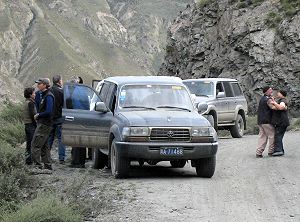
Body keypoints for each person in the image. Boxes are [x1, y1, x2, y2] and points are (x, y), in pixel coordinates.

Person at [31, 78, 55, 171]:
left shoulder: (48, 96)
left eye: (39, 83)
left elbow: (49, 111)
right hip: (44, 123)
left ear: (45, 85)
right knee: (44, 146)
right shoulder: (44, 95)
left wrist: (38, 115)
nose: (37, 85)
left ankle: (37, 167)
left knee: (35, 145)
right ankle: (48, 166)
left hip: (44, 124)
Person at [68, 76, 88, 168]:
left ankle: (76, 161)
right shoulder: (84, 91)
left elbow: (70, 105)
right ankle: (81, 161)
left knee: (76, 141)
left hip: (75, 117)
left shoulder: (73, 92)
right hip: (83, 117)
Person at [48, 75, 66, 164]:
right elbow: (64, 104)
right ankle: (61, 158)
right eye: (61, 80)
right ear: (59, 81)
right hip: (59, 117)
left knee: (49, 138)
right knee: (60, 139)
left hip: (50, 118)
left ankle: (46, 157)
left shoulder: (49, 91)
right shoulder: (61, 91)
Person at [256, 86, 275, 158]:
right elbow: (273, 107)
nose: (272, 91)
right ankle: (271, 151)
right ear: (266, 91)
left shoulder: (262, 99)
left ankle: (258, 152)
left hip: (260, 120)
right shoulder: (268, 99)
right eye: (270, 90)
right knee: (272, 135)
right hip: (267, 121)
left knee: (262, 136)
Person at [270, 90, 289, 156]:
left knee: (278, 136)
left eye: (279, 92)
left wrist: (274, 103)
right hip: (281, 121)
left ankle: (279, 150)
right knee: (279, 136)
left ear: (282, 94)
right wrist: (274, 102)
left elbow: (281, 107)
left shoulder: (283, 100)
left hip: (281, 121)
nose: (277, 93)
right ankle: (280, 150)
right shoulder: (281, 100)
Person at [23, 87, 37, 165]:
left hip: (27, 125)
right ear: (30, 94)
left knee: (29, 144)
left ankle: (28, 160)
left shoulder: (26, 102)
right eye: (34, 93)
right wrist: (36, 125)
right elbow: (33, 115)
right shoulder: (31, 103)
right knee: (32, 144)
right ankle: (30, 161)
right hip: (31, 125)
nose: (35, 94)